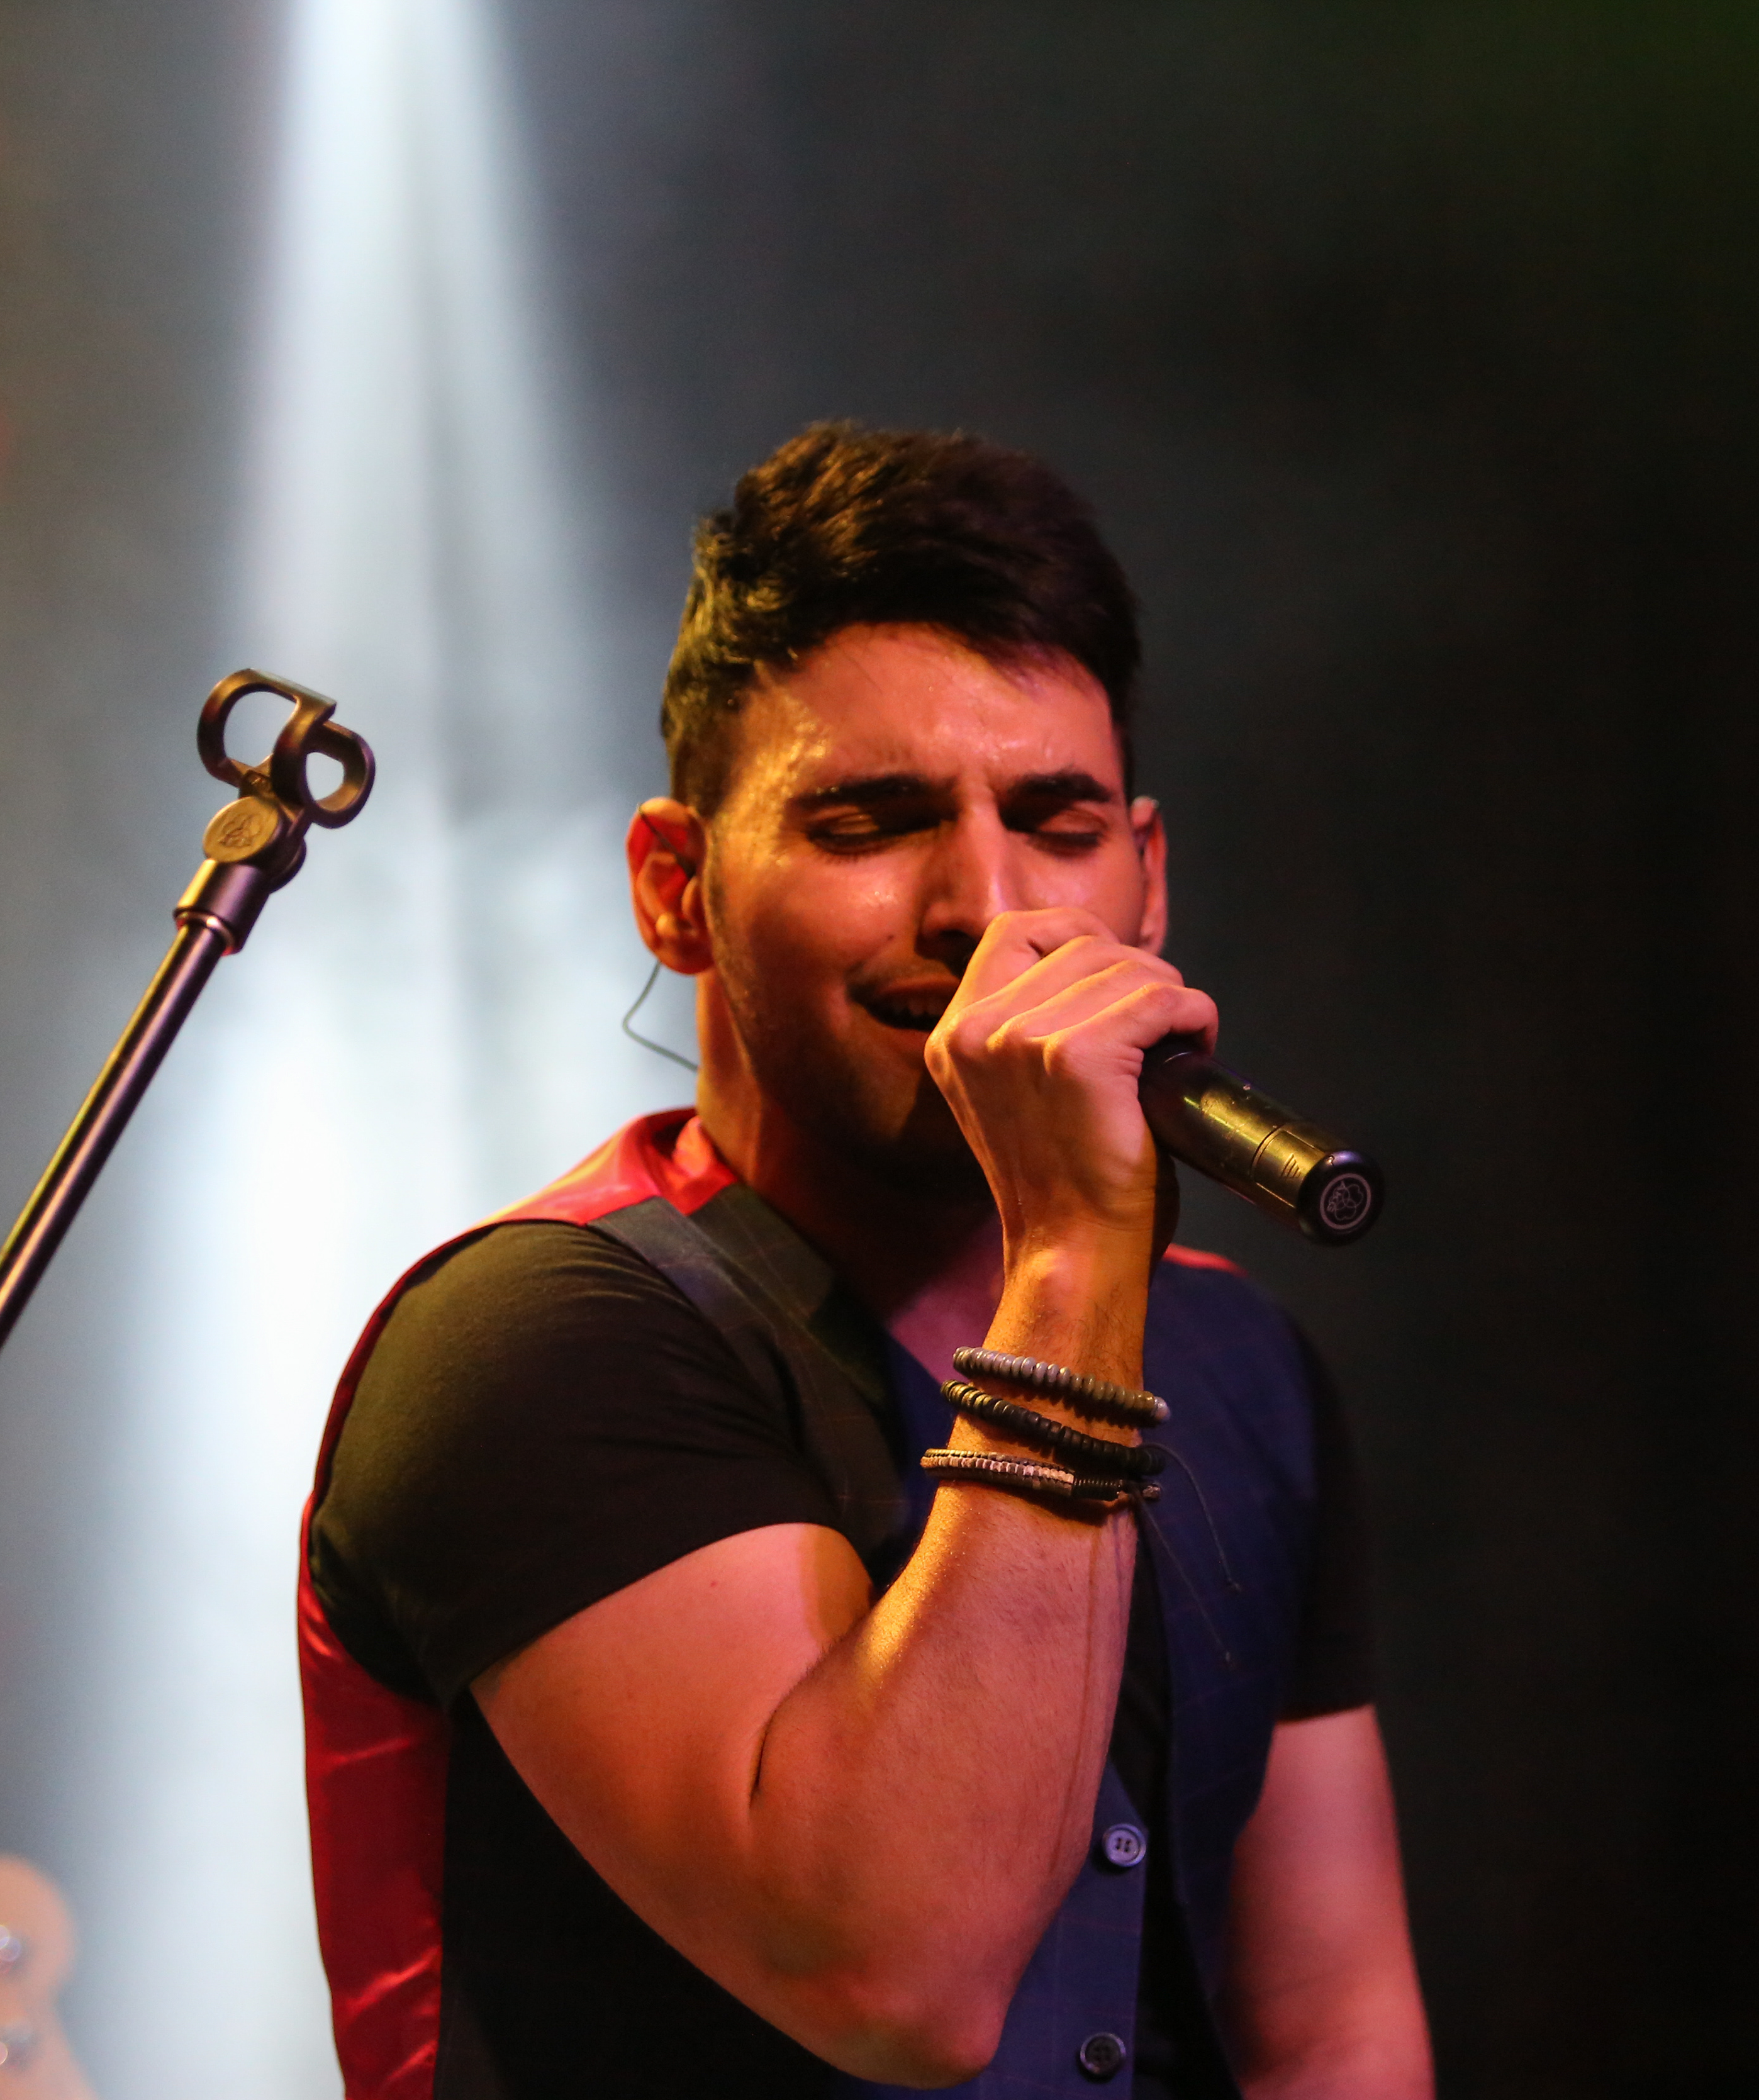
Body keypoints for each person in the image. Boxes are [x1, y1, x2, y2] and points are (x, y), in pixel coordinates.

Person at [298, 425, 1432, 2100]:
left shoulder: (1237, 1360)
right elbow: (895, 1974)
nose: (985, 906)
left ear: (1150, 880)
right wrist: (1075, 1244)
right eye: (871, 822)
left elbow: (1331, 2024)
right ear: (676, 890)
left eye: (1056, 822)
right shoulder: (540, 1344)